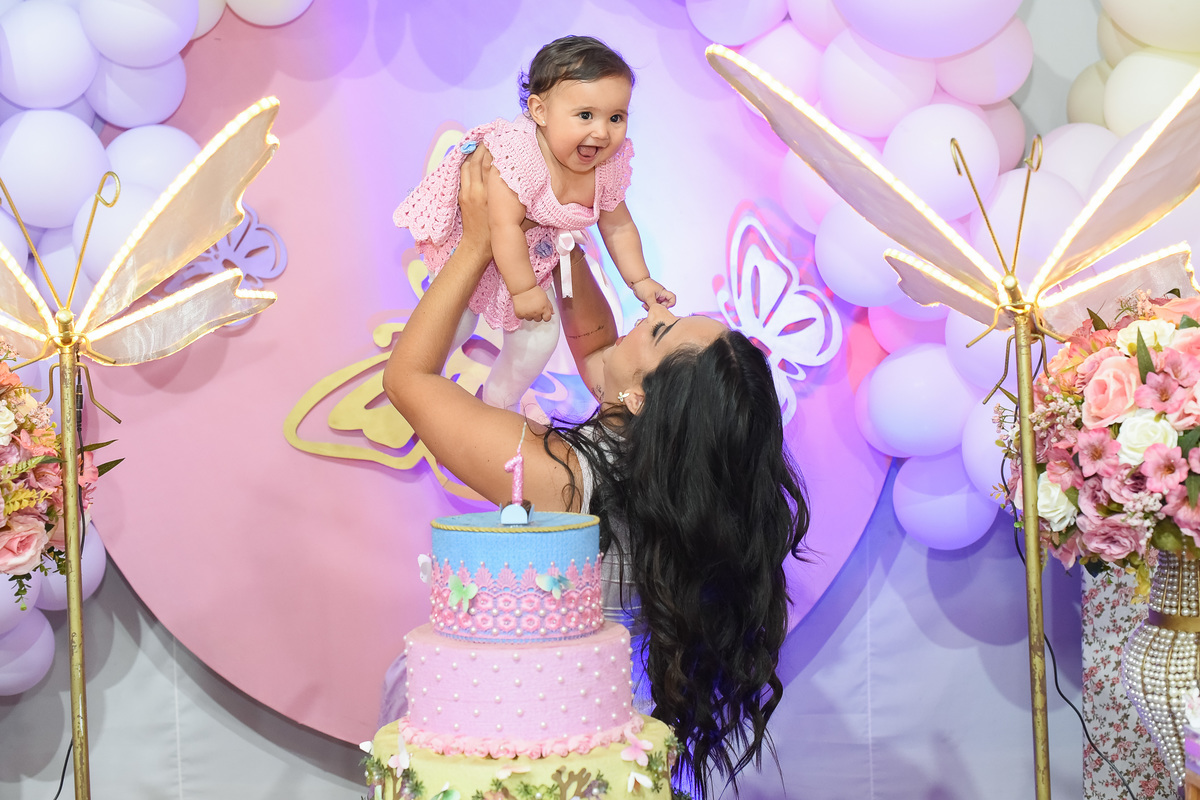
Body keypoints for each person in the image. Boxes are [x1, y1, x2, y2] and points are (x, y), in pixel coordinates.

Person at [384, 149, 809, 799]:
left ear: (638, 400)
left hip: (525, 759)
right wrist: (564, 232)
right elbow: (597, 344)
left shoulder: (563, 479)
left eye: (660, 330)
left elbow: (408, 380)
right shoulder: (663, 480)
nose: (650, 312)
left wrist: (475, 243)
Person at [393, 35, 675, 412]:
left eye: (616, 117)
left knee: (541, 338)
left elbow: (618, 225)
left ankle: (498, 403)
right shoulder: (519, 155)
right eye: (585, 115)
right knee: (454, 324)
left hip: (532, 256)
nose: (602, 132)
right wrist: (524, 289)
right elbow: (503, 226)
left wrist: (640, 281)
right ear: (540, 112)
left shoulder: (607, 165)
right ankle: (419, 384)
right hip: (478, 247)